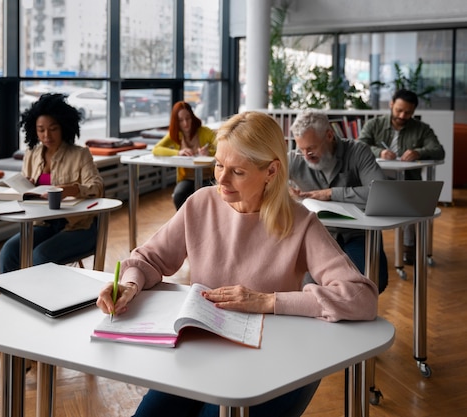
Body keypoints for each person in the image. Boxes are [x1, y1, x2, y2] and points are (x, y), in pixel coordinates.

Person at [97, 111, 378, 417]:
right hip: (201, 350)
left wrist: (268, 301)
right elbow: (148, 258)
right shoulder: (201, 203)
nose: (221, 179)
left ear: (271, 171)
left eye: (238, 172)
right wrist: (128, 285)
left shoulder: (301, 222)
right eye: (219, 165)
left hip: (273, 360)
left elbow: (360, 298)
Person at [0, 93, 104, 273]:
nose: (46, 135)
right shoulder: (32, 154)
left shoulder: (80, 154)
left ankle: (41, 300)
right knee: (8, 252)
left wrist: (71, 189)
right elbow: (29, 189)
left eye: (53, 128)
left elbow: (97, 187)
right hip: (44, 224)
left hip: (79, 226)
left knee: (41, 256)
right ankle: (12, 299)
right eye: (41, 130)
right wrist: (28, 184)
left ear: (63, 127)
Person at [289, 109, 390, 293]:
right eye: (301, 148)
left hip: (358, 233)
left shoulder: (358, 151)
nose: (305, 155)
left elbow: (380, 192)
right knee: (308, 288)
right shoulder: (296, 157)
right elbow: (265, 177)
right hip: (318, 235)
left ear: (329, 135)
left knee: (374, 282)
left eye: (310, 148)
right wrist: (281, 189)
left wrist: (331, 193)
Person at [357, 89, 445, 265]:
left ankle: (409, 247)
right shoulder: (374, 124)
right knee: (365, 202)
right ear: (391, 104)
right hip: (376, 179)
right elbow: (360, 144)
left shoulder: (422, 129)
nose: (403, 115)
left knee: (411, 203)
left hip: (408, 180)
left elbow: (438, 150)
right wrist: (379, 151)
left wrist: (418, 152)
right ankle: (368, 249)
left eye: (408, 112)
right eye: (399, 110)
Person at [152, 101, 217, 209]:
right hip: (187, 178)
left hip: (209, 177)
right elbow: (156, 149)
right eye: (181, 120)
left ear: (192, 116)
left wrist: (209, 153)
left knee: (204, 200)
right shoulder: (175, 135)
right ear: (176, 122)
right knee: (179, 195)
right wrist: (178, 152)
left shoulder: (204, 132)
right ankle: (184, 223)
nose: (185, 123)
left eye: (188, 118)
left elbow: (222, 147)